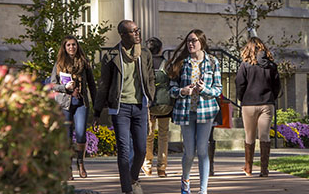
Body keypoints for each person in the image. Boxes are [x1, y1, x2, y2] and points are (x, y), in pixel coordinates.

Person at [94, 20, 154, 194]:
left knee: (141, 149)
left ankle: (133, 177)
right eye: (133, 31)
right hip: (120, 108)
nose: (137, 34)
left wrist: (151, 96)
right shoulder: (112, 56)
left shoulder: (144, 53)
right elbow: (104, 85)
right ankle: (127, 189)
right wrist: (97, 111)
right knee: (124, 150)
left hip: (140, 106)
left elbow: (150, 77)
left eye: (137, 30)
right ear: (122, 35)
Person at [168, 29, 222, 194]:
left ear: (202, 43)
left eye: (194, 41)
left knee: (202, 150)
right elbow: (171, 89)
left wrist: (204, 89)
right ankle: (185, 182)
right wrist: (183, 91)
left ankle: (203, 190)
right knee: (189, 152)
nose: (190, 44)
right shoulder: (181, 62)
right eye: (188, 41)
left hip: (206, 111)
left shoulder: (212, 62)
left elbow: (218, 90)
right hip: (185, 111)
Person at [50, 35, 97, 179]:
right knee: (66, 137)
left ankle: (80, 163)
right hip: (65, 104)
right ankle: (67, 166)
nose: (72, 47)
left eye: (74, 45)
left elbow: (92, 85)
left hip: (81, 103)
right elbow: (52, 85)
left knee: (81, 134)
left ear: (77, 46)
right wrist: (64, 87)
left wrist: (97, 107)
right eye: (69, 45)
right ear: (64, 48)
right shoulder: (59, 63)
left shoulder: (84, 62)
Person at [235, 37, 281, 177]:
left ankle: (248, 168)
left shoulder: (245, 65)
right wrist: (271, 97)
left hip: (249, 103)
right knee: (264, 135)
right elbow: (277, 86)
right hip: (267, 103)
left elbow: (239, 84)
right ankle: (264, 170)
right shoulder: (271, 66)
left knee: (249, 135)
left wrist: (242, 98)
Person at [142, 37, 171, 178]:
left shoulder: (145, 64)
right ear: (161, 48)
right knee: (163, 136)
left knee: (149, 136)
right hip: (165, 104)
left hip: (149, 104)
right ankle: (162, 167)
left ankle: (147, 166)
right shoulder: (167, 64)